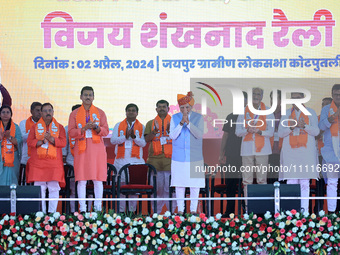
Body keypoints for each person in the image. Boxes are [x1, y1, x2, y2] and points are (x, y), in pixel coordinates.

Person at [68, 86, 109, 212]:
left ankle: (97, 209)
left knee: (98, 180)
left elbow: (106, 131)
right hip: (81, 151)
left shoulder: (100, 112)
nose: (87, 97)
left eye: (90, 95)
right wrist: (84, 129)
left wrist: (96, 128)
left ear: (93, 97)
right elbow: (71, 132)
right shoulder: (74, 114)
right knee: (81, 180)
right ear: (81, 97)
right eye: (85, 95)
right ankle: (83, 209)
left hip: (97, 151)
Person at [279, 92, 319, 212]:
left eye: (298, 98)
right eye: (293, 98)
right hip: (290, 153)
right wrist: (293, 126)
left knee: (304, 182)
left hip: (306, 152)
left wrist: (304, 126)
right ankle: (292, 213)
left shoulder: (311, 112)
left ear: (303, 99)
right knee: (291, 182)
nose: (296, 100)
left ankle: (304, 213)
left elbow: (316, 132)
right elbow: (281, 133)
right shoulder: (286, 114)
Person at [235, 87, 274, 210]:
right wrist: (247, 130)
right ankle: (248, 208)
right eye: (254, 94)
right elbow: (237, 131)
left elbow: (271, 131)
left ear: (262, 96)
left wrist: (259, 131)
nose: (256, 96)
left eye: (258, 94)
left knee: (262, 180)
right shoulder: (243, 111)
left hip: (263, 150)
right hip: (247, 149)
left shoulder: (268, 111)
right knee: (247, 181)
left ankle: (262, 208)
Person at [26, 103, 66, 213]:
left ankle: (52, 214)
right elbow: (30, 142)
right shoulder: (34, 127)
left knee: (53, 187)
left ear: (53, 112)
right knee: (40, 188)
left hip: (54, 163)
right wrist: (41, 141)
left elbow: (63, 142)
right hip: (38, 163)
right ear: (41, 113)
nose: (48, 113)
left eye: (50, 110)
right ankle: (41, 214)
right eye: (45, 111)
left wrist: (52, 139)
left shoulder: (60, 127)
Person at [170, 92, 205, 215]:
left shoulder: (198, 117)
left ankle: (193, 210)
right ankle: (180, 210)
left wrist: (188, 123)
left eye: (187, 107)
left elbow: (199, 134)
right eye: (182, 107)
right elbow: (172, 136)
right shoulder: (174, 118)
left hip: (195, 157)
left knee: (194, 185)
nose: (185, 110)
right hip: (178, 157)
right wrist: (181, 123)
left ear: (191, 107)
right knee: (179, 185)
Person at [110, 103, 146, 212]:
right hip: (121, 161)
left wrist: (135, 138)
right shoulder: (118, 125)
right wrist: (124, 137)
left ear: (137, 113)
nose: (131, 112)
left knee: (133, 190)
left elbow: (143, 143)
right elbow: (113, 141)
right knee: (121, 188)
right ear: (125, 112)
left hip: (136, 162)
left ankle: (131, 212)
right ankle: (121, 212)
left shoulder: (142, 127)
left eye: (133, 110)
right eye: (129, 110)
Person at [219, 91, 247, 217]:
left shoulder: (251, 117)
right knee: (231, 184)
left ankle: (247, 211)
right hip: (232, 155)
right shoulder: (230, 116)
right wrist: (221, 153)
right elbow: (225, 136)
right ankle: (229, 211)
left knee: (247, 184)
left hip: (248, 155)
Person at [144, 100, 174, 214]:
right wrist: (155, 131)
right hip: (154, 162)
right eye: (159, 107)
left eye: (164, 107)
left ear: (168, 109)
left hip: (171, 161)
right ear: (156, 109)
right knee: (156, 189)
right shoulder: (150, 123)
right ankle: (156, 213)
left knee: (170, 190)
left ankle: (172, 213)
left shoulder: (175, 122)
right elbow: (146, 140)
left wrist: (170, 130)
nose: (162, 109)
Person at [319, 84, 340, 214]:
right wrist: (331, 118)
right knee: (332, 182)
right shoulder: (327, 109)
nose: (338, 97)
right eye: (336, 95)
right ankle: (332, 214)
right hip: (331, 152)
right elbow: (320, 127)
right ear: (332, 95)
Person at [62, 104, 81, 213]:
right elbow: (65, 146)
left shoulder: (87, 127)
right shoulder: (67, 128)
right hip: (71, 161)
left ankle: (87, 212)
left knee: (88, 190)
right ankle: (73, 212)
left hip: (84, 162)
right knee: (73, 190)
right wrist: (64, 161)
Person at [0, 105, 22, 185]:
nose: (5, 114)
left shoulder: (15, 127)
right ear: (0, 114)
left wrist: (9, 137)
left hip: (12, 156)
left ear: (11, 114)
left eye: (8, 112)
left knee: (12, 178)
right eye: (3, 112)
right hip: (0, 156)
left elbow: (19, 141)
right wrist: (1, 137)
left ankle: (12, 195)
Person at [268, 90, 282, 183]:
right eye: (272, 99)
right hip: (268, 150)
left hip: (282, 151)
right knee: (269, 178)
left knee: (281, 179)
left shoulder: (287, 114)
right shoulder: (266, 114)